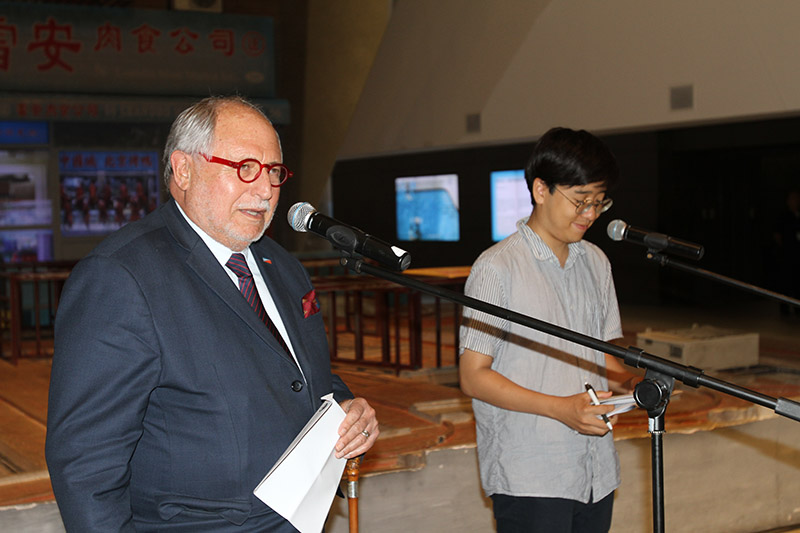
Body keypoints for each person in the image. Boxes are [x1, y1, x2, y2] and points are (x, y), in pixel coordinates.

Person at [45, 95, 379, 532]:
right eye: (245, 168)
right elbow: (86, 463)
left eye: (274, 172)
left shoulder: (282, 266)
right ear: (184, 170)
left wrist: (346, 408)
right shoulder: (121, 276)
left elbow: (299, 377)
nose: (265, 190)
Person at [459, 127, 637, 533]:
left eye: (599, 202)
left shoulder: (596, 261)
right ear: (541, 190)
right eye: (580, 201)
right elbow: (473, 376)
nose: (590, 214)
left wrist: (634, 386)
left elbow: (602, 355)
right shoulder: (497, 268)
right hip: (532, 472)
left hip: (595, 469)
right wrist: (561, 408)